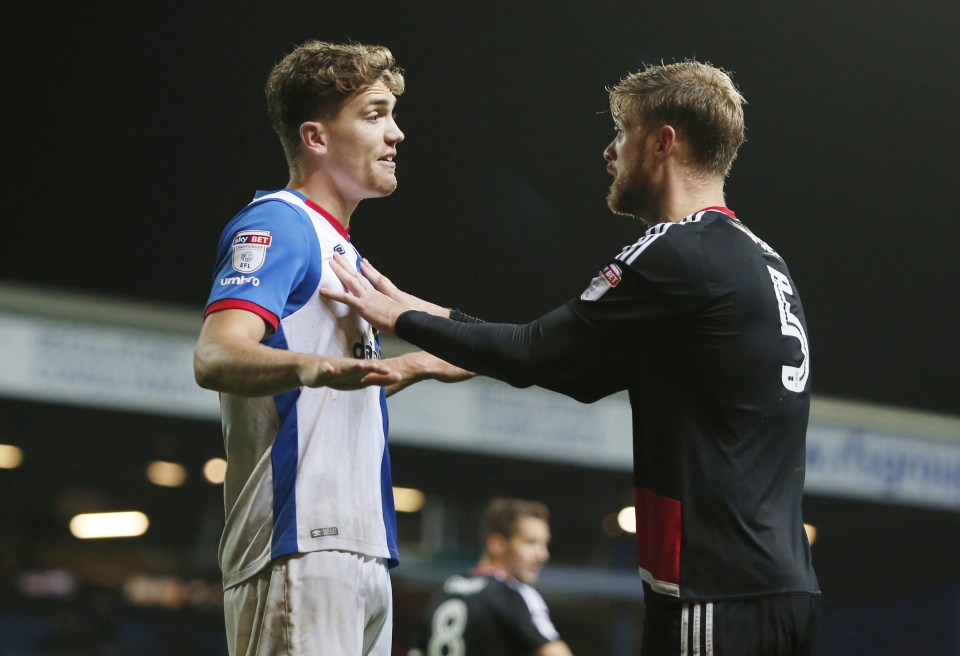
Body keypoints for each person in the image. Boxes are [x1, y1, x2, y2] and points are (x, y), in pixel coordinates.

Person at [323, 60, 822, 655]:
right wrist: (442, 340)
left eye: (622, 132)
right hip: (777, 588)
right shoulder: (759, 259)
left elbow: (538, 349)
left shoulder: (676, 251)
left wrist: (402, 317)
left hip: (714, 592)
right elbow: (581, 372)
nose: (610, 153)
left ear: (663, 141)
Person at [193, 41, 470, 656]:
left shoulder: (344, 251)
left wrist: (407, 366)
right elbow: (214, 355)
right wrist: (314, 367)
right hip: (298, 543)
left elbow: (339, 378)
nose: (396, 133)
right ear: (316, 137)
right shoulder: (279, 222)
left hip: (363, 548)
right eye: (374, 114)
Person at [412, 498, 574, 656]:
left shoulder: (445, 592)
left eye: (544, 544)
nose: (542, 555)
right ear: (497, 544)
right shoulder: (513, 595)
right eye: (530, 543)